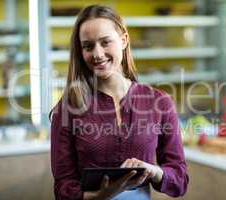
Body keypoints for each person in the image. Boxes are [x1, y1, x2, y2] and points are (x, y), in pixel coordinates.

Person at [50, 4, 189, 200]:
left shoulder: (160, 102)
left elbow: (180, 181)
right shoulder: (66, 109)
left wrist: (154, 171)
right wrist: (100, 196)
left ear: (123, 40)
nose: (97, 54)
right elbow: (62, 188)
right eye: (88, 46)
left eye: (105, 42)